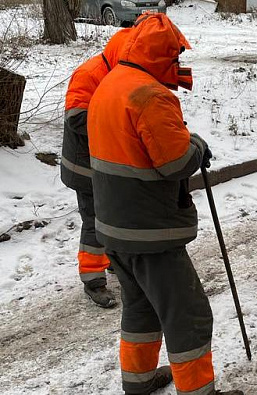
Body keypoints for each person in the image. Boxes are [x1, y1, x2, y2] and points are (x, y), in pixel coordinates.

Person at [88, 13, 241, 395]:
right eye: (175, 56)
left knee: (140, 308)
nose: (178, 63)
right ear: (161, 55)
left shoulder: (110, 85)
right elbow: (175, 163)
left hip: (113, 227)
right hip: (149, 231)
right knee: (187, 316)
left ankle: (137, 384)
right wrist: (197, 146)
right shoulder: (150, 95)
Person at [60, 28, 131, 308]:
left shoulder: (119, 74)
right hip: (85, 169)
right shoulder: (90, 74)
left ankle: (114, 261)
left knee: (113, 217)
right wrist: (117, 121)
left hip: (108, 166)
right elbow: (76, 118)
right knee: (94, 222)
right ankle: (93, 280)